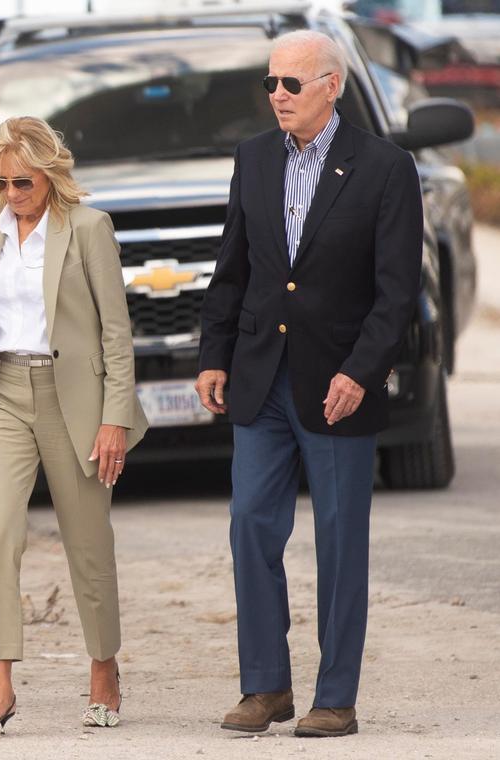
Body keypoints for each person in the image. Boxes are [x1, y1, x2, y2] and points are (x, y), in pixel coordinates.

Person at [196, 30, 422, 738]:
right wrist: (214, 355)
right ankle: (265, 688)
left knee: (338, 538)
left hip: (338, 385)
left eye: (291, 84)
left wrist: (361, 371)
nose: (277, 97)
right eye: (271, 83)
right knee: (249, 527)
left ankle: (335, 697)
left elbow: (397, 292)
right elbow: (232, 267)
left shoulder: (385, 168)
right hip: (260, 378)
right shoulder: (253, 159)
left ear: (332, 85)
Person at [0, 117, 148, 738]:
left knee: (88, 543)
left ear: (51, 175)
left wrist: (115, 417)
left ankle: (103, 670)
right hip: (3, 394)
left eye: (23, 182)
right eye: (0, 181)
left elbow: (116, 334)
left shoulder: (88, 228)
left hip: (75, 399)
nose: (11, 193)